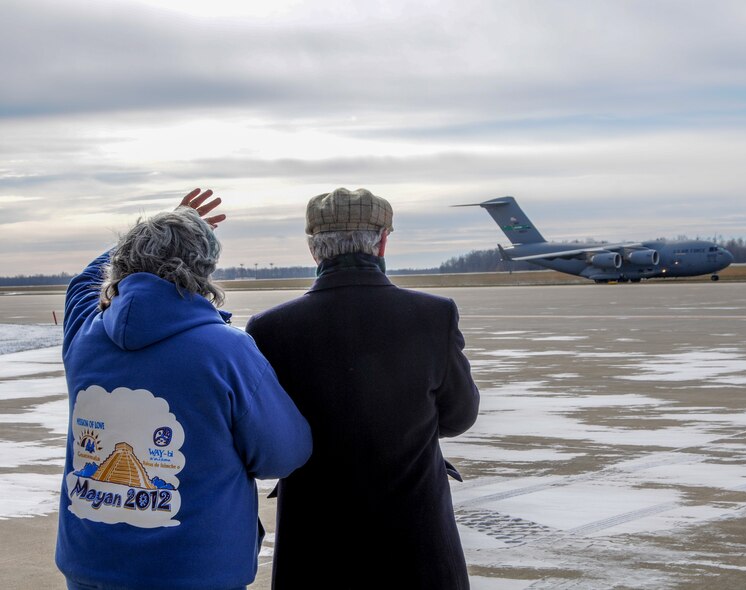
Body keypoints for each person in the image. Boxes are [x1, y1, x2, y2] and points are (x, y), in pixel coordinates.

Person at [56, 189, 313, 590]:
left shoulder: (84, 334)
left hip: (91, 568)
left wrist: (156, 229)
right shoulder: (228, 350)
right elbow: (282, 454)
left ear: (122, 260)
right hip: (196, 571)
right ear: (204, 270)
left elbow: (84, 280)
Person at [246, 187, 480, 589]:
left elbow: (266, 435)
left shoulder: (270, 328)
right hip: (416, 542)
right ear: (383, 241)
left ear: (313, 249)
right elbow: (459, 416)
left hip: (315, 542)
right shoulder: (433, 315)